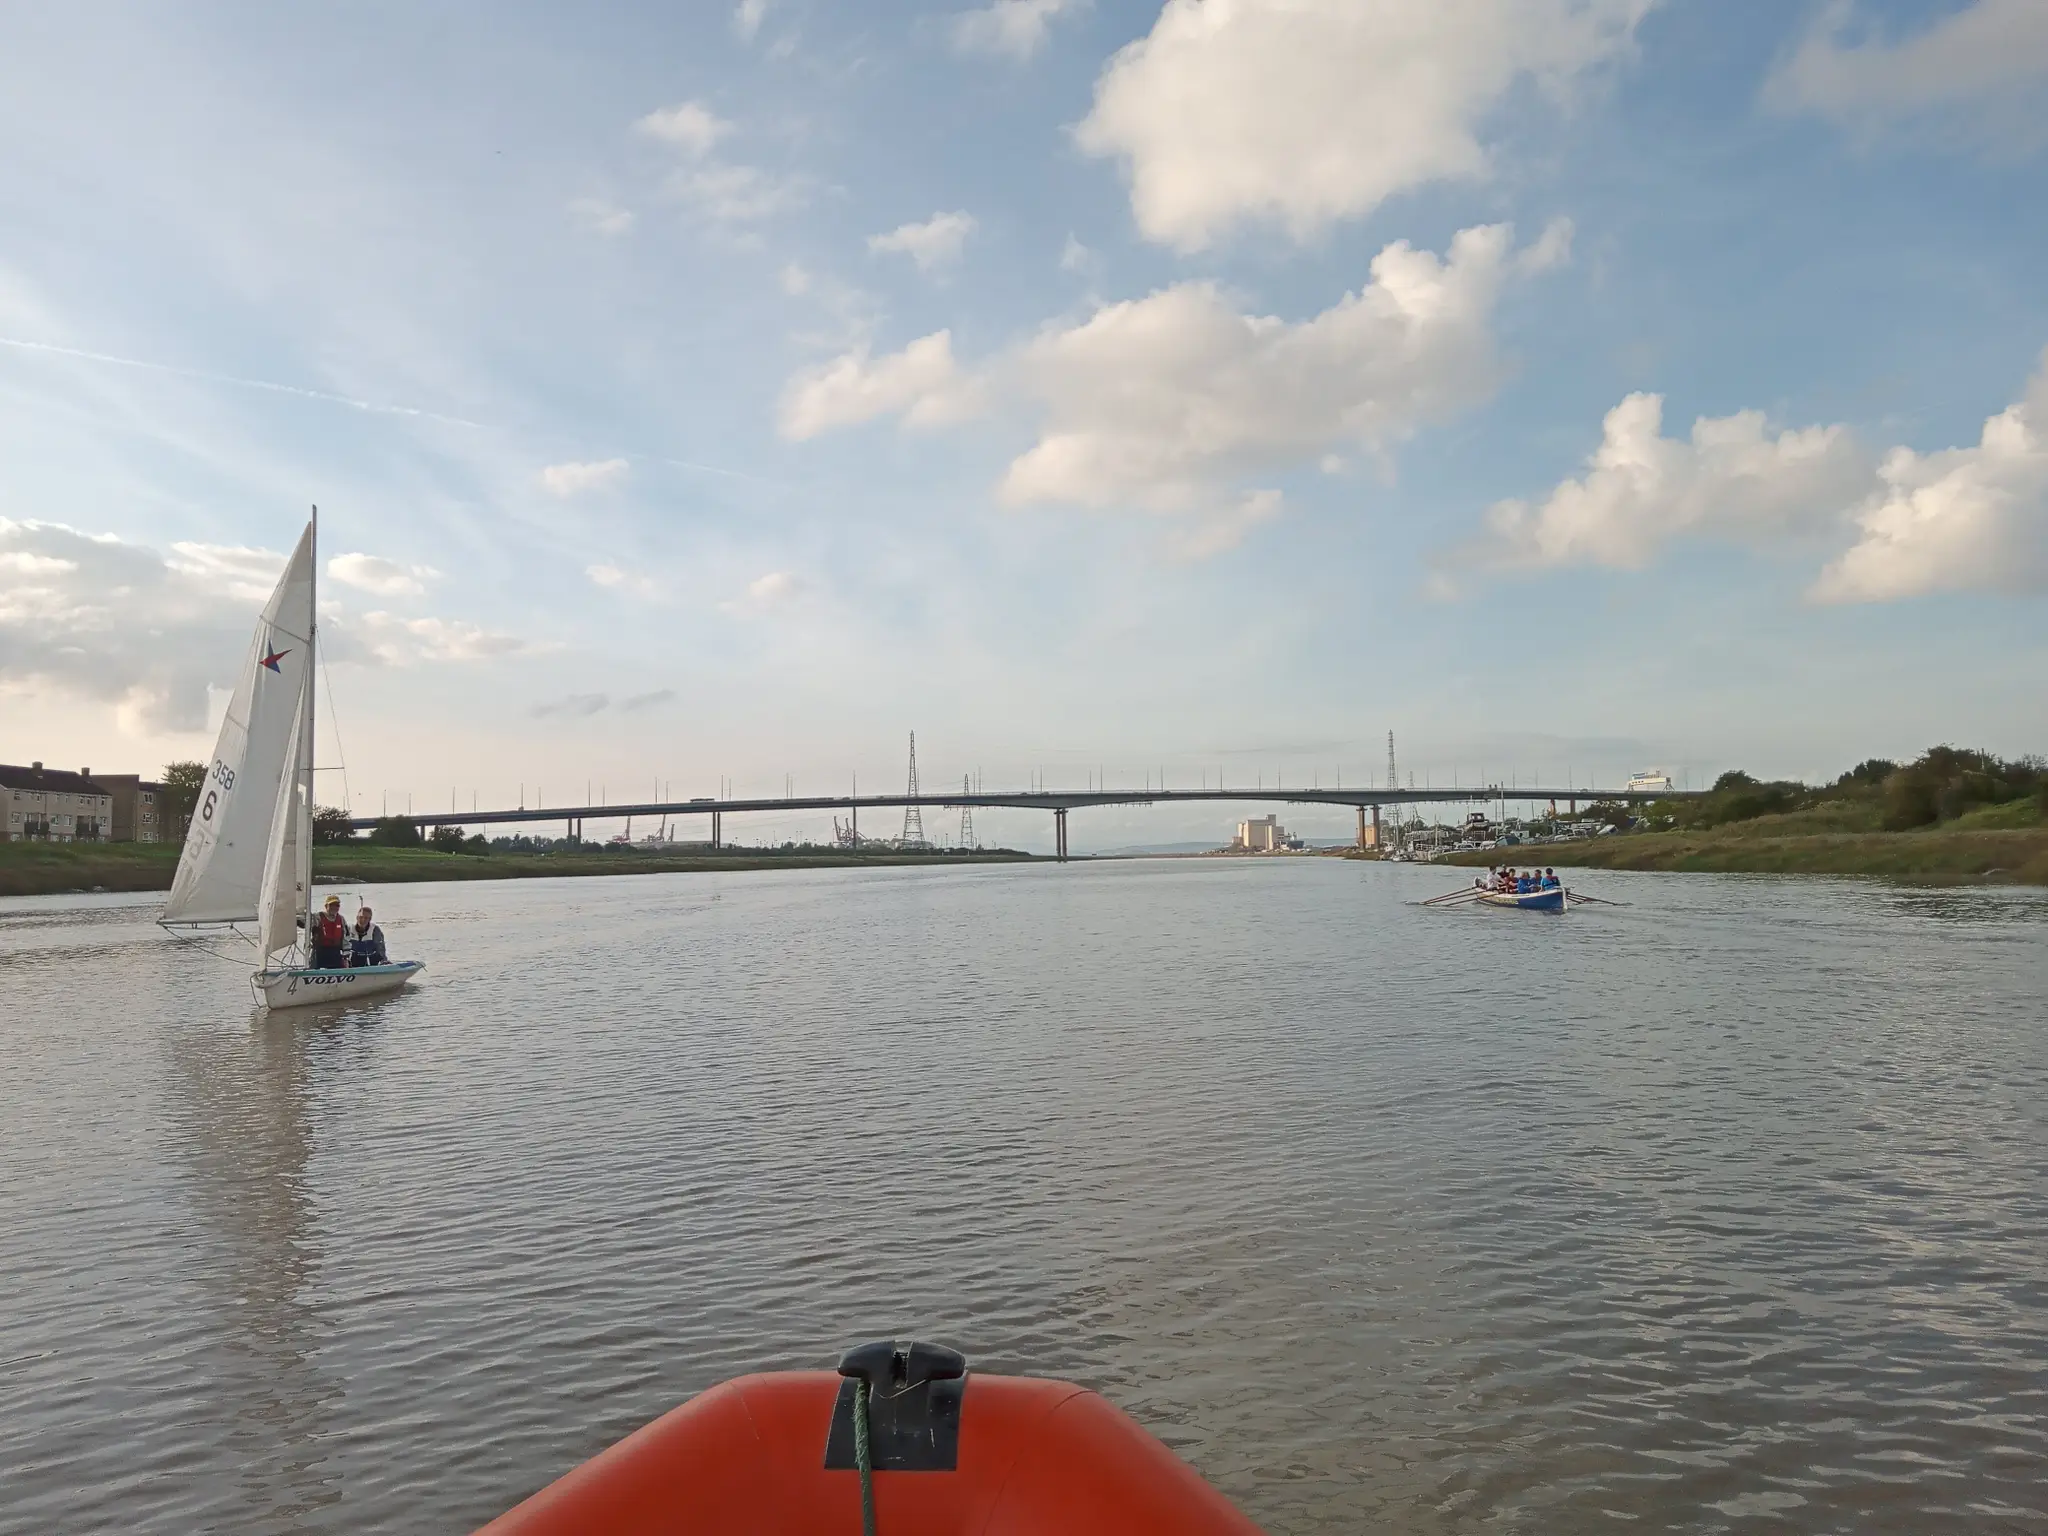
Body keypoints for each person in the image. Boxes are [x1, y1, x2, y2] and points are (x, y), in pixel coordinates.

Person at [311, 895, 349, 969]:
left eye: (337, 905)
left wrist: (346, 954)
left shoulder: (341, 919)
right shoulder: (317, 917)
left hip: (336, 952)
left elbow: (346, 937)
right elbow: (304, 923)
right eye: (331, 905)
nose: (334, 907)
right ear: (326, 906)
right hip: (319, 952)